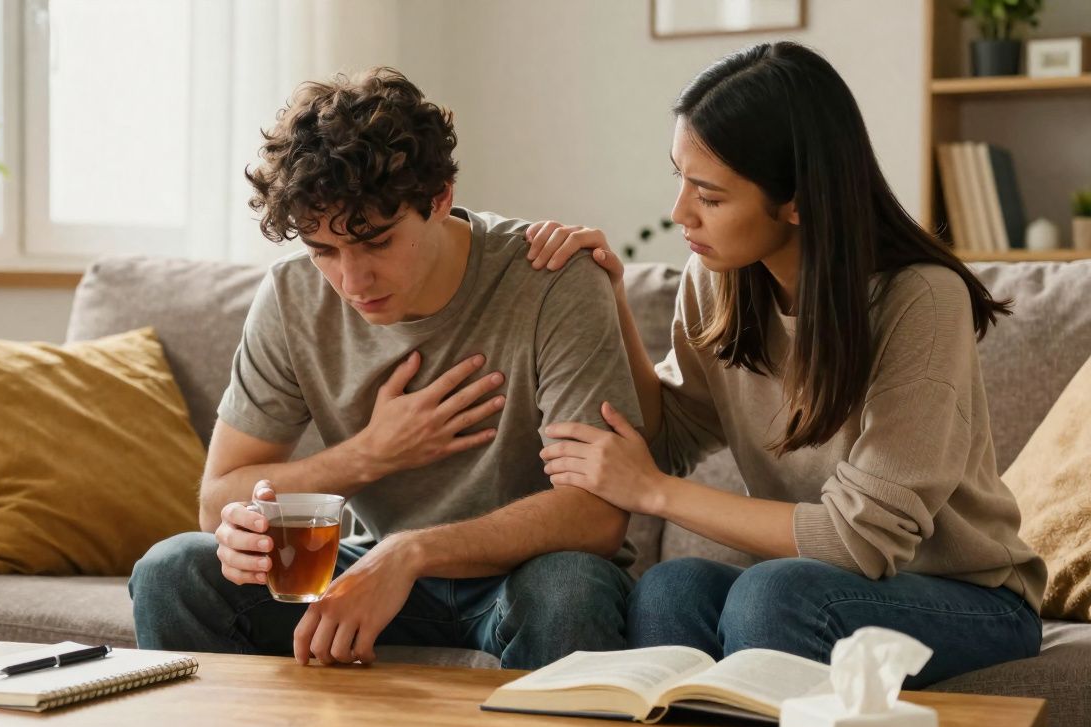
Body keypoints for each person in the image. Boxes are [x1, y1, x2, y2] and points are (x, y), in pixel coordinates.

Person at [522, 41, 1046, 687]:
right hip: (820, 585)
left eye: (709, 196)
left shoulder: (918, 298)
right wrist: (611, 302)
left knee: (775, 595)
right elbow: (669, 439)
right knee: (671, 587)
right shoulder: (718, 278)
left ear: (798, 200)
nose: (679, 212)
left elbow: (862, 543)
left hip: (968, 598)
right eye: (679, 178)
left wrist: (654, 493)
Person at [128, 67, 643, 670]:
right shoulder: (291, 297)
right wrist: (370, 454)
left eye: (375, 242)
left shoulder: (551, 278)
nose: (352, 281)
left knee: (569, 590)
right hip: (366, 566)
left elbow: (598, 514)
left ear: (440, 197)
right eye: (322, 249)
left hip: (522, 573)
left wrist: (409, 553)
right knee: (173, 570)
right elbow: (217, 502)